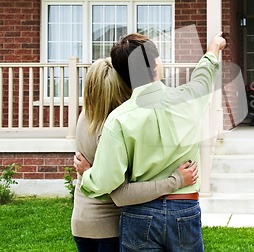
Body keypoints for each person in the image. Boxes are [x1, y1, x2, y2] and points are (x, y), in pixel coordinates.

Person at [79, 32, 226, 251]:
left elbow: (105, 182)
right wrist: (214, 48)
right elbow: (204, 77)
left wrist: (88, 173)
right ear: (156, 65)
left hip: (138, 214)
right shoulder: (189, 99)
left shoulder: (118, 120)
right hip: (184, 208)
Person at [71, 57, 199, 252]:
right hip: (108, 226)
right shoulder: (113, 128)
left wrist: (87, 172)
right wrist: (176, 180)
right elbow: (121, 194)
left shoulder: (85, 117)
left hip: (81, 221)